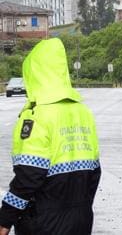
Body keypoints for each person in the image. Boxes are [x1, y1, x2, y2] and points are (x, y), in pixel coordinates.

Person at [0, 38, 101, 235]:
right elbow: (95, 172)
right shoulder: (83, 113)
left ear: (33, 74)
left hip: (43, 223)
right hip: (81, 220)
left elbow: (28, 177)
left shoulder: (36, 116)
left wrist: (4, 221)